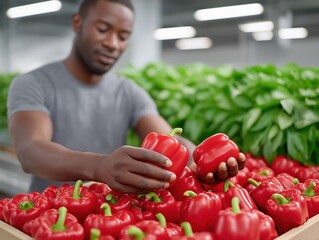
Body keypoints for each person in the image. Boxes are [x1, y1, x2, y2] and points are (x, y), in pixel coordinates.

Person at [7, 0, 245, 194]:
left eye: (123, 36)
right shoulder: (33, 83)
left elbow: (170, 139)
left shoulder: (129, 92)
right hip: (45, 215)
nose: (113, 43)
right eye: (103, 29)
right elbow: (31, 151)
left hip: (108, 212)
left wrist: (203, 162)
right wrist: (98, 166)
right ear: (78, 23)